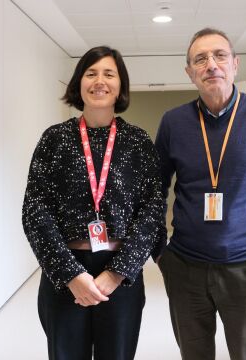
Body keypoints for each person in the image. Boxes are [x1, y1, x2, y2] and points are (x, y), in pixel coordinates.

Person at [154, 28, 246, 360]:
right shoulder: (174, 122)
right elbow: (155, 190)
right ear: (190, 73)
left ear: (234, 64)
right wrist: (160, 251)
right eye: (200, 59)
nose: (211, 65)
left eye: (219, 55)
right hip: (185, 267)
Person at [22, 46, 165, 360]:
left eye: (109, 74)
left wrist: (115, 274)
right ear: (78, 84)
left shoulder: (137, 141)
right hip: (65, 274)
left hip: (121, 276)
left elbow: (152, 211)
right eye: (91, 73)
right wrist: (72, 276)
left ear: (120, 87)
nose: (99, 81)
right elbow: (35, 210)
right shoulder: (54, 139)